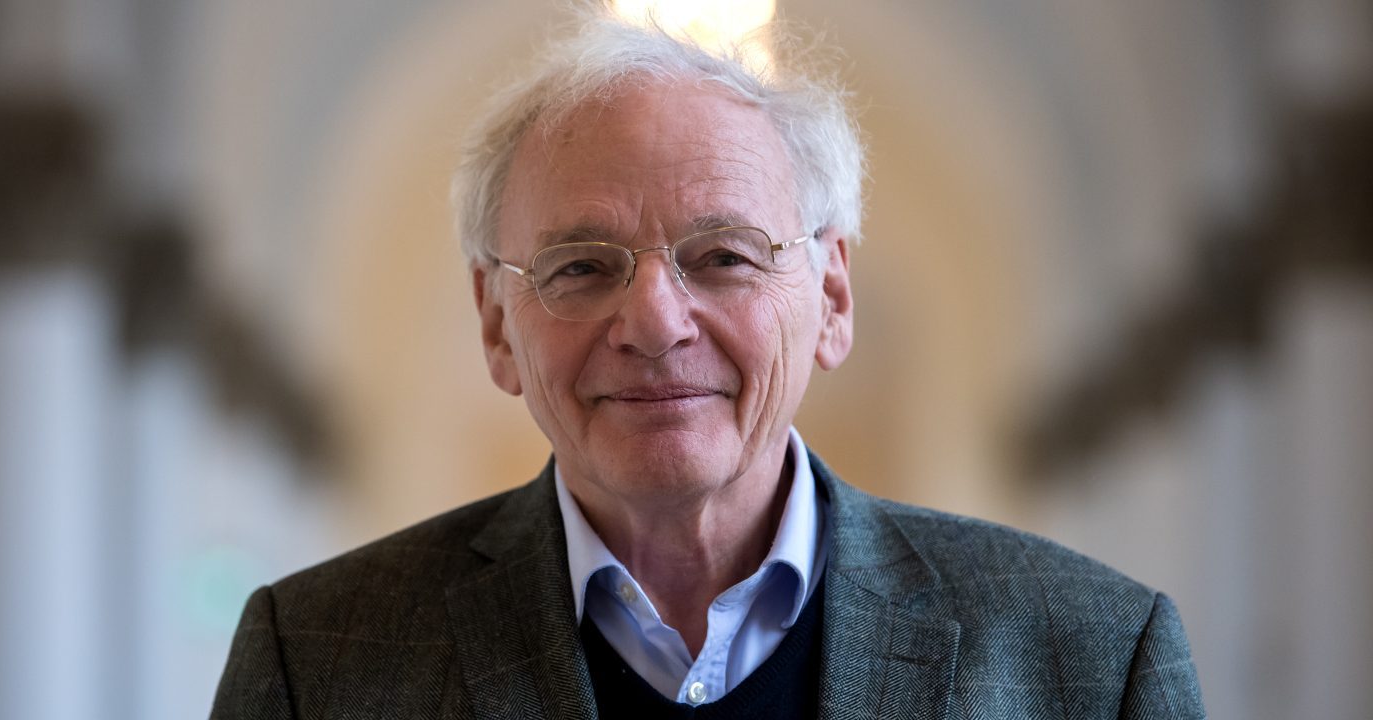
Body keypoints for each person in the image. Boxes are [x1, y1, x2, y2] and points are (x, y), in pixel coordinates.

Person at [212, 10, 1205, 719]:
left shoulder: (1090, 662)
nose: (654, 323)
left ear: (832, 297)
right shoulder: (317, 664)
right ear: (495, 322)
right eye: (581, 266)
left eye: (724, 256)